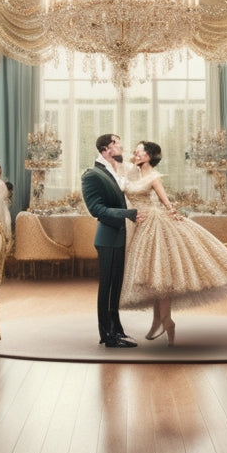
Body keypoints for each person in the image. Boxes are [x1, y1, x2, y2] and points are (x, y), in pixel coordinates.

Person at [120, 141, 227, 345]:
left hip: (154, 224)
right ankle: (157, 319)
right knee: (151, 275)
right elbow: (124, 175)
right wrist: (129, 163)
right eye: (136, 151)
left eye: (139, 151)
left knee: (161, 273)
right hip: (140, 225)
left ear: (149, 156)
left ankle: (167, 320)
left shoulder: (154, 177)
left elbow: (165, 201)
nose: (135, 153)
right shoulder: (134, 173)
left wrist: (172, 211)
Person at [81, 134, 144, 349]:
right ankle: (107, 335)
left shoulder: (112, 171)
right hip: (107, 237)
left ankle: (116, 329)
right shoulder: (92, 175)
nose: (122, 147)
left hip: (117, 236)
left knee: (116, 286)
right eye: (118, 144)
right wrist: (128, 213)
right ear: (107, 149)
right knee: (107, 287)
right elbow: (96, 209)